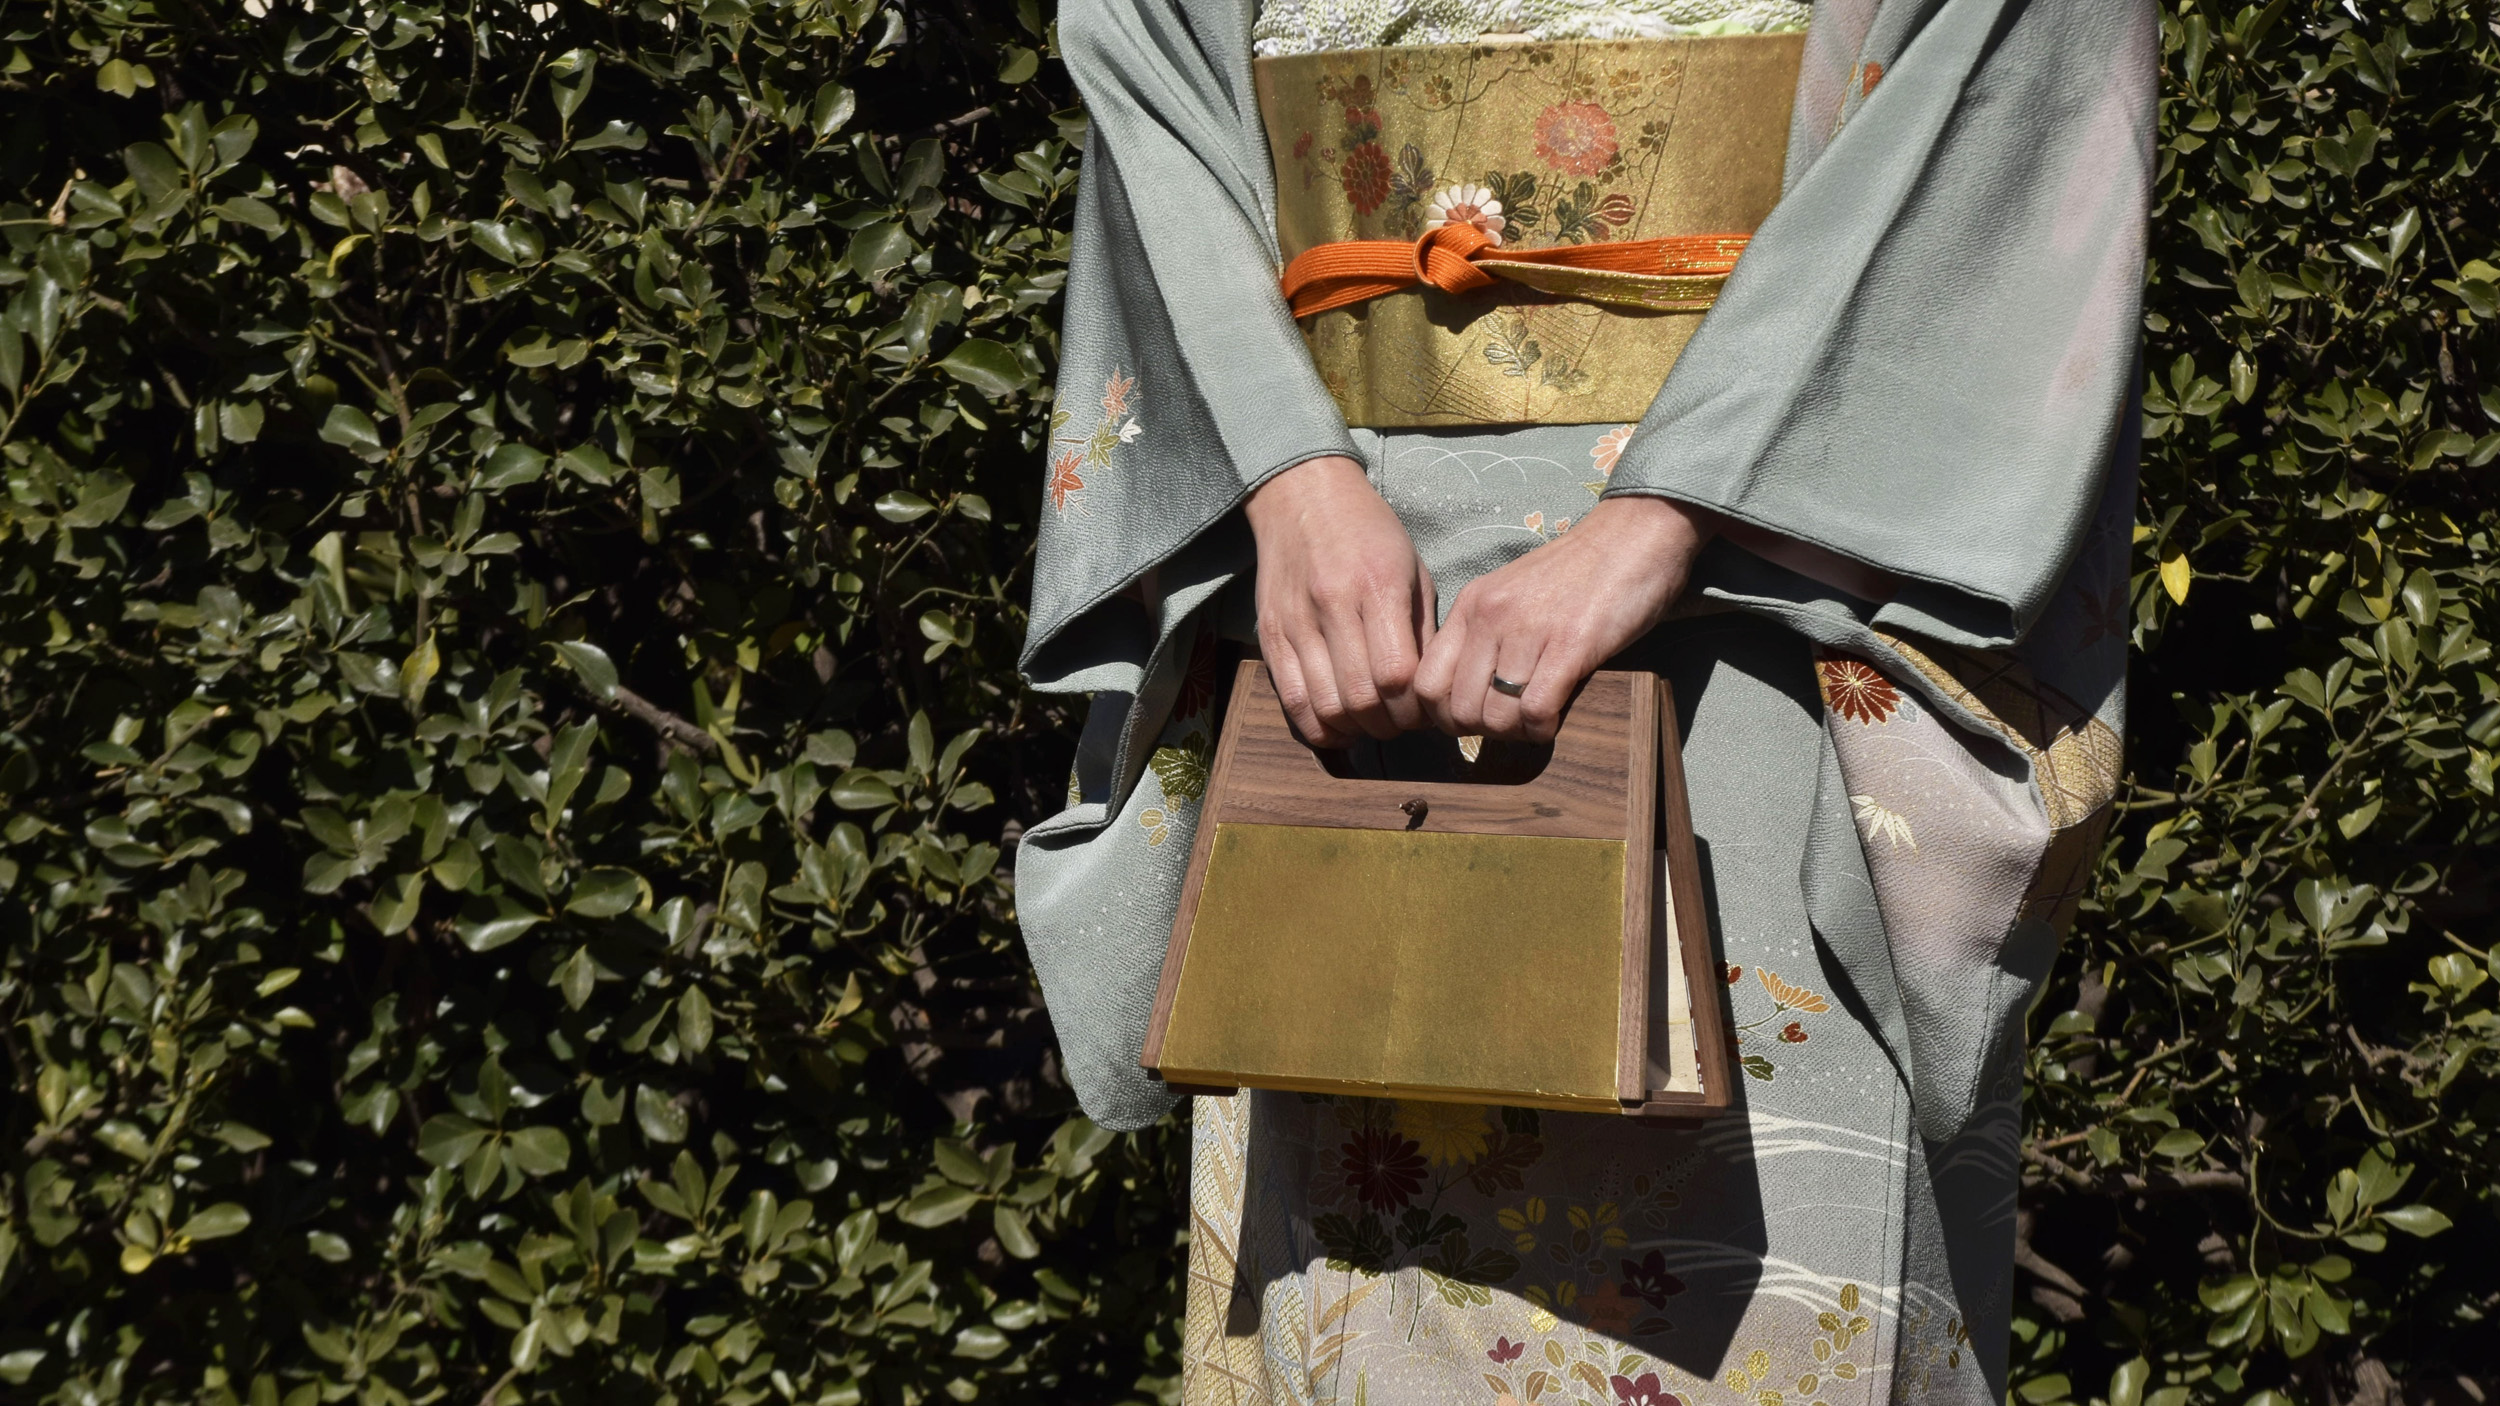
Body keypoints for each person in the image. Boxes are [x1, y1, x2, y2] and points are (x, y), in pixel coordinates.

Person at [1012, 1, 2155, 1401]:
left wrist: (1668, 514)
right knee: (1350, 1274)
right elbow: (1151, 47)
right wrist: (1284, 479)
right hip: (1341, 620)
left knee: (1770, 1280)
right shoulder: (1303, 529)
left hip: (1766, 596)